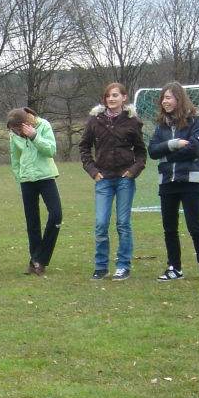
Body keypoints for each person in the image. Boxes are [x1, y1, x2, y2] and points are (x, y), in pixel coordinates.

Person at [78, 82, 146, 281]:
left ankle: (123, 265)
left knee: (123, 223)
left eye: (115, 95)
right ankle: (101, 266)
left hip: (125, 179)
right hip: (103, 179)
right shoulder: (95, 120)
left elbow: (141, 151)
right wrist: (92, 171)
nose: (111, 99)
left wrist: (134, 170)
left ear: (124, 98)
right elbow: (84, 147)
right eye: (108, 96)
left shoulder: (132, 122)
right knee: (101, 223)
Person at [148, 81, 199, 282]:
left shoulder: (195, 121)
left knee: (194, 226)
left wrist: (167, 155)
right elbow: (153, 151)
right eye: (163, 98)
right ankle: (174, 268)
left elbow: (195, 149)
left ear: (179, 98)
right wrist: (173, 144)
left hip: (190, 180)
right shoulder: (161, 126)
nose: (165, 101)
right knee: (169, 228)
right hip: (167, 181)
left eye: (168, 97)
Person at [8, 107, 61, 277]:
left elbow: (51, 150)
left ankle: (41, 257)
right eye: (14, 130)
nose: (16, 132)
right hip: (26, 180)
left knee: (56, 215)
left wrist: (34, 136)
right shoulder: (13, 135)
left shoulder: (43, 125)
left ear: (26, 123)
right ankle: (35, 262)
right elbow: (15, 160)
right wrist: (20, 181)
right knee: (32, 222)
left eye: (18, 129)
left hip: (46, 176)